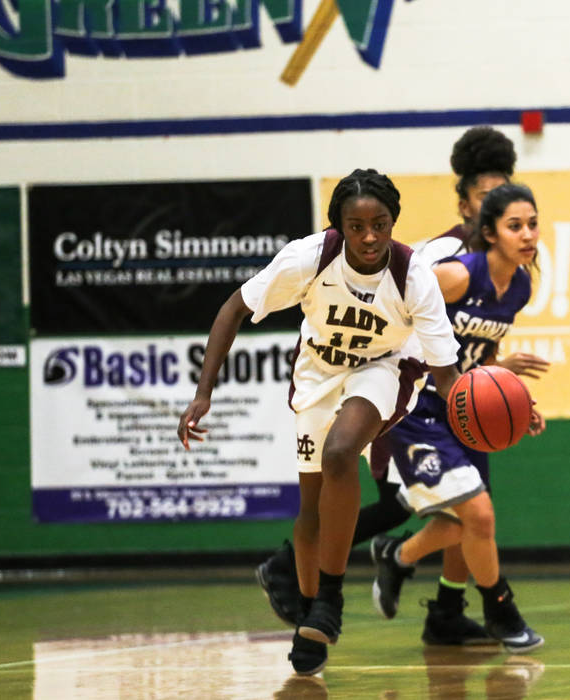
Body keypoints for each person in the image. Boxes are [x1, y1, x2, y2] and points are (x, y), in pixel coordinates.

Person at [256, 126, 549, 646]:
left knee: (465, 509)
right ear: (467, 205)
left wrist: (500, 373)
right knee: (427, 506)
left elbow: (466, 342)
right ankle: (297, 568)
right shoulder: (440, 258)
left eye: (506, 199)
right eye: (488, 200)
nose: (500, 211)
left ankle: (446, 609)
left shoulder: (516, 273)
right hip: (403, 395)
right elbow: (399, 320)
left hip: (453, 398)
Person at [177, 168, 462, 676]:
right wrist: (204, 393)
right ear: (339, 226)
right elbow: (231, 310)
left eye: (380, 224)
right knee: (309, 512)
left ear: (394, 221)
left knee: (340, 452)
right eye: (357, 226)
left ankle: (330, 598)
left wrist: (470, 411)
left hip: (388, 366)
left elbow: (445, 369)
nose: (370, 236)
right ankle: (311, 617)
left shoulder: (412, 275)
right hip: (319, 372)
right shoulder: (309, 258)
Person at [371, 183, 547, 653]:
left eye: (532, 224)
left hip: (461, 407)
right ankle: (500, 610)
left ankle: (397, 555)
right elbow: (391, 311)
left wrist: (512, 398)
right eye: (515, 226)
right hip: (417, 408)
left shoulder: (521, 285)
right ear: (489, 233)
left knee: (461, 523)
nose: (527, 234)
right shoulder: (457, 275)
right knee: (479, 515)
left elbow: (479, 352)